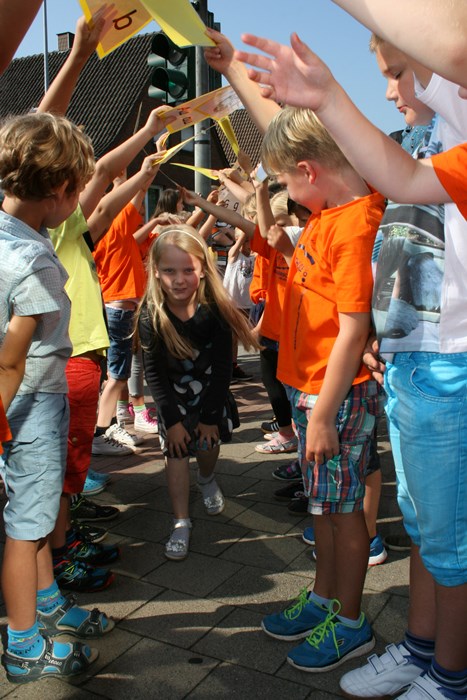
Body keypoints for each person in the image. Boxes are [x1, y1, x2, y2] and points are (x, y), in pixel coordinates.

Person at [236, 31, 467, 700]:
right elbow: (305, 139)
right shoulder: (418, 144)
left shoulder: (432, 146)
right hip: (409, 364)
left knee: (449, 543)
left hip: (443, 365)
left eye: (399, 72)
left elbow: (328, 144)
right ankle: (422, 649)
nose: (392, 90)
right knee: (424, 530)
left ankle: (450, 674)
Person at [255, 106, 385, 672]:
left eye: (284, 181)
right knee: (326, 509)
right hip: (314, 392)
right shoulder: (326, 215)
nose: (285, 191)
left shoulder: (351, 223)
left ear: (308, 171)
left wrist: (324, 414)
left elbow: (353, 328)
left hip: (335, 396)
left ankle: (350, 622)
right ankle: (325, 599)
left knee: (343, 512)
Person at [0, 111, 110, 684]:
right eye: (78, 190)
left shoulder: (7, 234)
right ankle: (24, 645)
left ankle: (46, 603)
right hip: (30, 407)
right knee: (26, 529)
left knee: (35, 513)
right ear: (61, 189)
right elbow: (11, 360)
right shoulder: (36, 260)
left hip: (18, 405)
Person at [136, 225, 260, 561]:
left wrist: (209, 418)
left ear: (203, 270)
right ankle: (181, 521)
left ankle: (206, 478)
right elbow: (154, 375)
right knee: (175, 453)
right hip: (172, 398)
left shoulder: (215, 312)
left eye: (188, 270)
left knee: (207, 446)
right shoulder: (150, 314)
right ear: (156, 272)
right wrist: (172, 422)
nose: (179, 280)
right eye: (169, 271)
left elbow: (222, 370)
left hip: (209, 394)